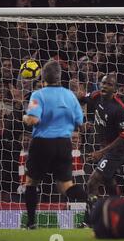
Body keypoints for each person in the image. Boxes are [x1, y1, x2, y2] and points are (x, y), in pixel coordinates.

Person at [22, 60, 87, 229]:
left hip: (42, 143)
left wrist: (25, 117)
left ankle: (30, 223)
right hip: (64, 144)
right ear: (59, 77)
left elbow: (33, 119)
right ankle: (90, 199)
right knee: (66, 186)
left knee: (31, 182)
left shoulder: (38, 95)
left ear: (43, 76)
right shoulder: (69, 95)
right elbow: (80, 121)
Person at [78, 75, 124, 224]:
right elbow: (81, 99)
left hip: (118, 149)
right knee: (109, 181)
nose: (104, 86)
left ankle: (89, 220)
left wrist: (101, 152)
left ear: (115, 89)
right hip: (105, 146)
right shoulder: (95, 96)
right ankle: (121, 216)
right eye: (103, 83)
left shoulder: (119, 109)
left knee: (92, 182)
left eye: (109, 84)